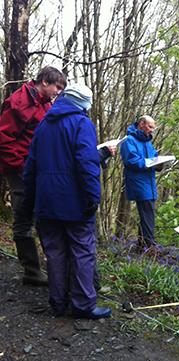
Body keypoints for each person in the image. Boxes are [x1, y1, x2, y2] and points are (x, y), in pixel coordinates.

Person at [23, 83, 111, 320]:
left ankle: (58, 302)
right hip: (74, 201)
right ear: (83, 102)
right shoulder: (81, 123)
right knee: (82, 250)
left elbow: (30, 165)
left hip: (46, 202)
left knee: (55, 252)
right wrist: (93, 195)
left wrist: (30, 199)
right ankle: (83, 304)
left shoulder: (43, 125)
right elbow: (87, 162)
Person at [0, 66, 67, 285]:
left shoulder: (45, 103)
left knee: (42, 215)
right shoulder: (19, 102)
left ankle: (50, 265)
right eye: (57, 86)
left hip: (37, 170)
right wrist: (20, 166)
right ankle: (31, 271)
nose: (58, 92)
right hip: (20, 170)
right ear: (44, 82)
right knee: (23, 216)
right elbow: (4, 138)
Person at [120, 115, 159, 249]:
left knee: (146, 214)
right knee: (148, 213)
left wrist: (159, 163)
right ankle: (149, 245)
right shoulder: (129, 141)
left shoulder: (147, 142)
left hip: (149, 182)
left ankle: (142, 245)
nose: (152, 130)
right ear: (141, 124)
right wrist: (150, 163)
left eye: (153, 128)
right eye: (150, 127)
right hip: (139, 182)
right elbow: (131, 160)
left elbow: (154, 157)